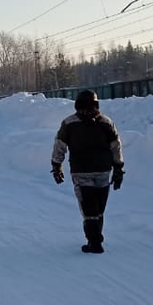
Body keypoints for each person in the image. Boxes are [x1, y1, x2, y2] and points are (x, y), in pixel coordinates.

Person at [50, 90, 124, 253]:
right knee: (98, 208)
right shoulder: (106, 122)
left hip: (81, 171)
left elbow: (59, 145)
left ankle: (94, 242)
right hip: (103, 171)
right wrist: (118, 168)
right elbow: (115, 146)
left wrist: (56, 166)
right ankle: (96, 237)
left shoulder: (69, 123)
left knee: (89, 208)